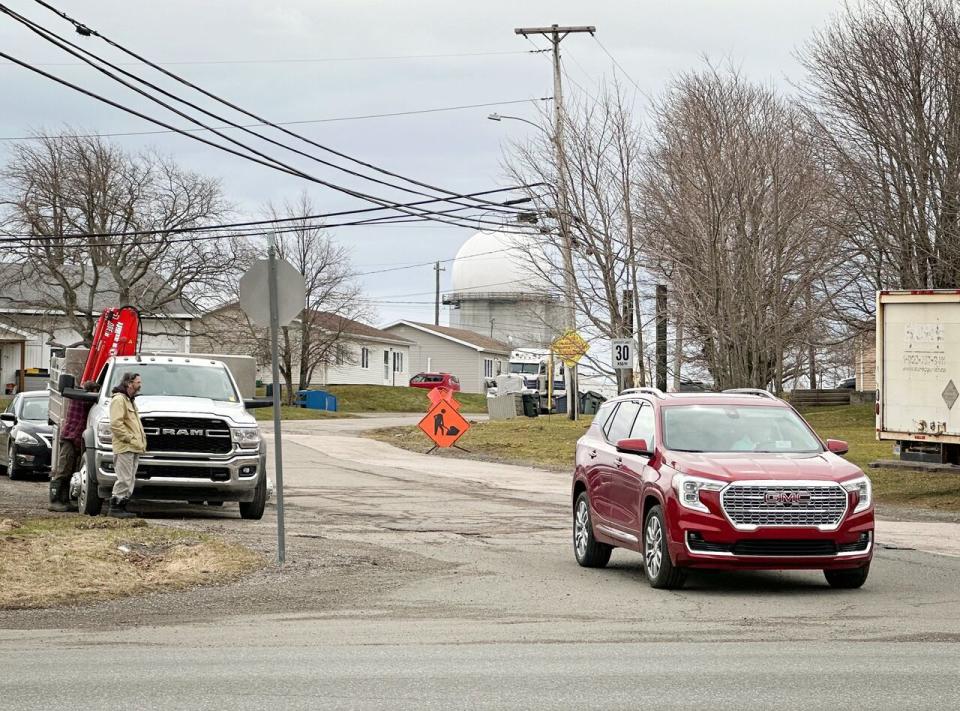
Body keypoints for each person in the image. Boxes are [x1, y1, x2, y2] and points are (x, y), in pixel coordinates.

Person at [48, 380, 99, 513]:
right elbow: (90, 403)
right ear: (91, 391)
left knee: (69, 471)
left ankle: (64, 501)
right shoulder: (81, 399)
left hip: (72, 439)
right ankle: (54, 501)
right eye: (95, 392)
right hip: (70, 439)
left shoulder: (79, 397)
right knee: (63, 470)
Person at [108, 372, 146, 519]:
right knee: (124, 478)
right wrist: (129, 439)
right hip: (125, 447)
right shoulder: (119, 400)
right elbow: (116, 424)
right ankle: (115, 507)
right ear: (129, 383)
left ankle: (122, 506)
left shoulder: (129, 400)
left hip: (133, 446)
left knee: (129, 479)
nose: (140, 385)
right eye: (138, 382)